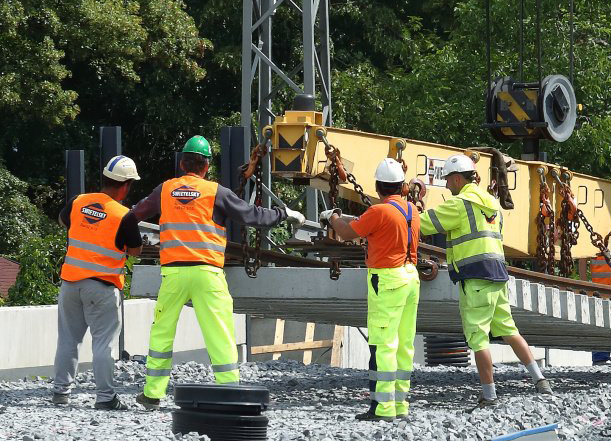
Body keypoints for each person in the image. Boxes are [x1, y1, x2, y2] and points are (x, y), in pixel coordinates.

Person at [117, 136, 294, 409]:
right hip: (207, 272)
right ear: (207, 165)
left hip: (173, 274)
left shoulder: (165, 190)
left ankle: (152, 393)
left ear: (182, 163)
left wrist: (133, 246)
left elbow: (131, 217)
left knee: (162, 332)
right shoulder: (216, 192)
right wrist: (283, 214)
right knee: (219, 333)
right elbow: (252, 216)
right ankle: (230, 390)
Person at [418, 153, 549, 406]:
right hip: (498, 276)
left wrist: (407, 210)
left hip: (475, 278)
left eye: (447, 180)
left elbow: (423, 224)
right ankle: (540, 381)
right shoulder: (492, 204)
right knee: (510, 331)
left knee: (478, 339)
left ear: (457, 179)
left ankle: (489, 395)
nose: (446, 185)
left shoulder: (460, 205)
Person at [326, 158, 427, 421]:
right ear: (401, 186)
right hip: (410, 277)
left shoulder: (380, 212)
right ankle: (400, 404)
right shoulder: (411, 211)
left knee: (384, 344)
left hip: (388, 279)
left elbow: (348, 233)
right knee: (405, 344)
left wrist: (333, 217)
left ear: (378, 186)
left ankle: (383, 408)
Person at [52, 155, 143, 409]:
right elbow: (135, 251)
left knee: (68, 339)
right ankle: (105, 398)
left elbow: (63, 221)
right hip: (102, 286)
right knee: (103, 343)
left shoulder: (78, 201)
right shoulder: (125, 215)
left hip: (70, 283)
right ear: (125, 185)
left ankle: (61, 393)